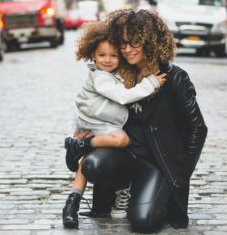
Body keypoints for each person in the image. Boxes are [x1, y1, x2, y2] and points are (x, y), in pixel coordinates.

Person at [77, 9, 208, 233]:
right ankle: (124, 190)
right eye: (123, 43)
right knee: (92, 165)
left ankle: (153, 192)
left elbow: (198, 128)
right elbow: (95, 107)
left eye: (134, 42)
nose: (127, 49)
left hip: (157, 163)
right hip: (125, 155)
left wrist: (179, 172)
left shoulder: (174, 77)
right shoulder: (118, 74)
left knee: (143, 222)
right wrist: (85, 132)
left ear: (150, 41)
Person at [62, 21, 167, 228]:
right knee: (121, 139)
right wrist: (151, 83)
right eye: (102, 55)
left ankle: (71, 203)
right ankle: (82, 146)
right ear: (93, 55)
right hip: (97, 123)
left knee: (85, 162)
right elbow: (121, 97)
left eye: (113, 55)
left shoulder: (114, 74)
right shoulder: (100, 77)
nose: (108, 60)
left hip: (96, 121)